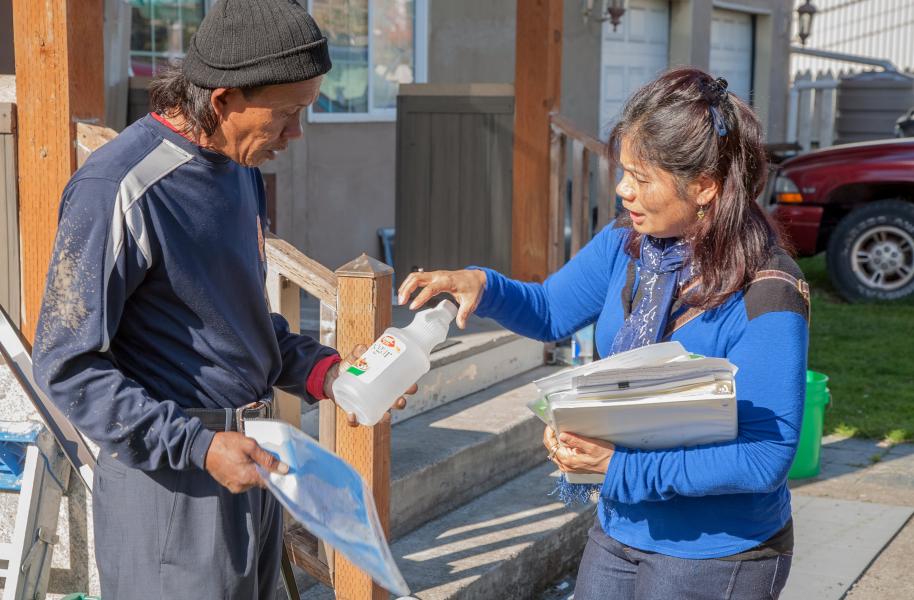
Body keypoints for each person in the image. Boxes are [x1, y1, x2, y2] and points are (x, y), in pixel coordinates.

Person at [31, 1, 412, 598]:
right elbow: (67, 365)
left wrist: (330, 373)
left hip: (247, 464)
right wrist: (199, 447)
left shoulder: (238, 168)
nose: (296, 133)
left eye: (305, 111)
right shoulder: (120, 185)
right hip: (172, 485)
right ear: (222, 99)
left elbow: (238, 321)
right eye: (286, 113)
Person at [398, 67, 808, 599]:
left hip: (719, 552)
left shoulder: (767, 288)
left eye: (641, 177)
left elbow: (764, 457)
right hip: (619, 528)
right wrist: (482, 285)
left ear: (704, 186)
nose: (622, 190)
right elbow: (549, 309)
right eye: (623, 172)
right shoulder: (629, 244)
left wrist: (618, 465)